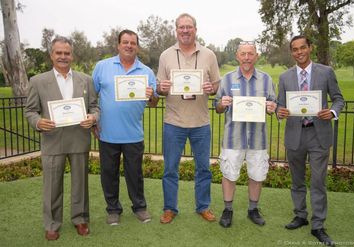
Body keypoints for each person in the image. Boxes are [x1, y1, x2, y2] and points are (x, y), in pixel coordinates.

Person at [25, 36, 99, 240]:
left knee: (80, 185)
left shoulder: (86, 79)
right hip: (52, 140)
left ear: (72, 56)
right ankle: (51, 224)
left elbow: (94, 106)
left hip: (79, 139)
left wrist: (93, 117)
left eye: (67, 53)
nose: (63, 57)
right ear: (51, 55)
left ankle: (80, 219)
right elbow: (30, 110)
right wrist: (38, 122)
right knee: (51, 186)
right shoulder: (38, 81)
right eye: (59, 53)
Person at [277, 35, 344, 246]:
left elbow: (339, 99)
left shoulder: (326, 72)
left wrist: (332, 112)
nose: (299, 52)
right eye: (295, 49)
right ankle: (300, 215)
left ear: (310, 48)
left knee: (317, 181)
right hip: (295, 135)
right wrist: (281, 112)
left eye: (302, 48)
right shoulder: (285, 77)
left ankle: (318, 225)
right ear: (292, 52)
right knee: (297, 181)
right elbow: (279, 107)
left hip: (318, 134)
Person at [156, 13, 221, 224]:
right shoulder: (165, 55)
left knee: (203, 168)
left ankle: (203, 207)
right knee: (170, 169)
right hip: (173, 123)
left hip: (201, 123)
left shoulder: (209, 55)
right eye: (181, 27)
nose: (185, 31)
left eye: (189, 27)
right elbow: (159, 88)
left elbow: (216, 86)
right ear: (176, 30)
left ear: (195, 29)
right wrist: (162, 88)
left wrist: (212, 88)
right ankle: (169, 208)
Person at [92, 29, 158, 225]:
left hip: (133, 134)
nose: (129, 45)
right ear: (118, 45)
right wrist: (93, 121)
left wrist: (151, 95)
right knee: (109, 174)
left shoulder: (146, 72)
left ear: (137, 46)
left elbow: (153, 102)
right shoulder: (102, 67)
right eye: (125, 42)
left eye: (133, 43)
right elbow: (92, 98)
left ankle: (139, 207)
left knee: (135, 174)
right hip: (107, 134)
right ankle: (113, 209)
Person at [215, 42, 277, 228]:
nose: (247, 57)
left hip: (258, 138)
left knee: (257, 175)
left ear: (256, 56)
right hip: (233, 137)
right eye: (243, 54)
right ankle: (228, 210)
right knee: (229, 174)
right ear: (237, 56)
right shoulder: (226, 79)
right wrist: (222, 104)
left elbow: (273, 105)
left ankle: (253, 209)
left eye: (250, 54)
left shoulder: (266, 80)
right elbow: (217, 107)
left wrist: (271, 108)